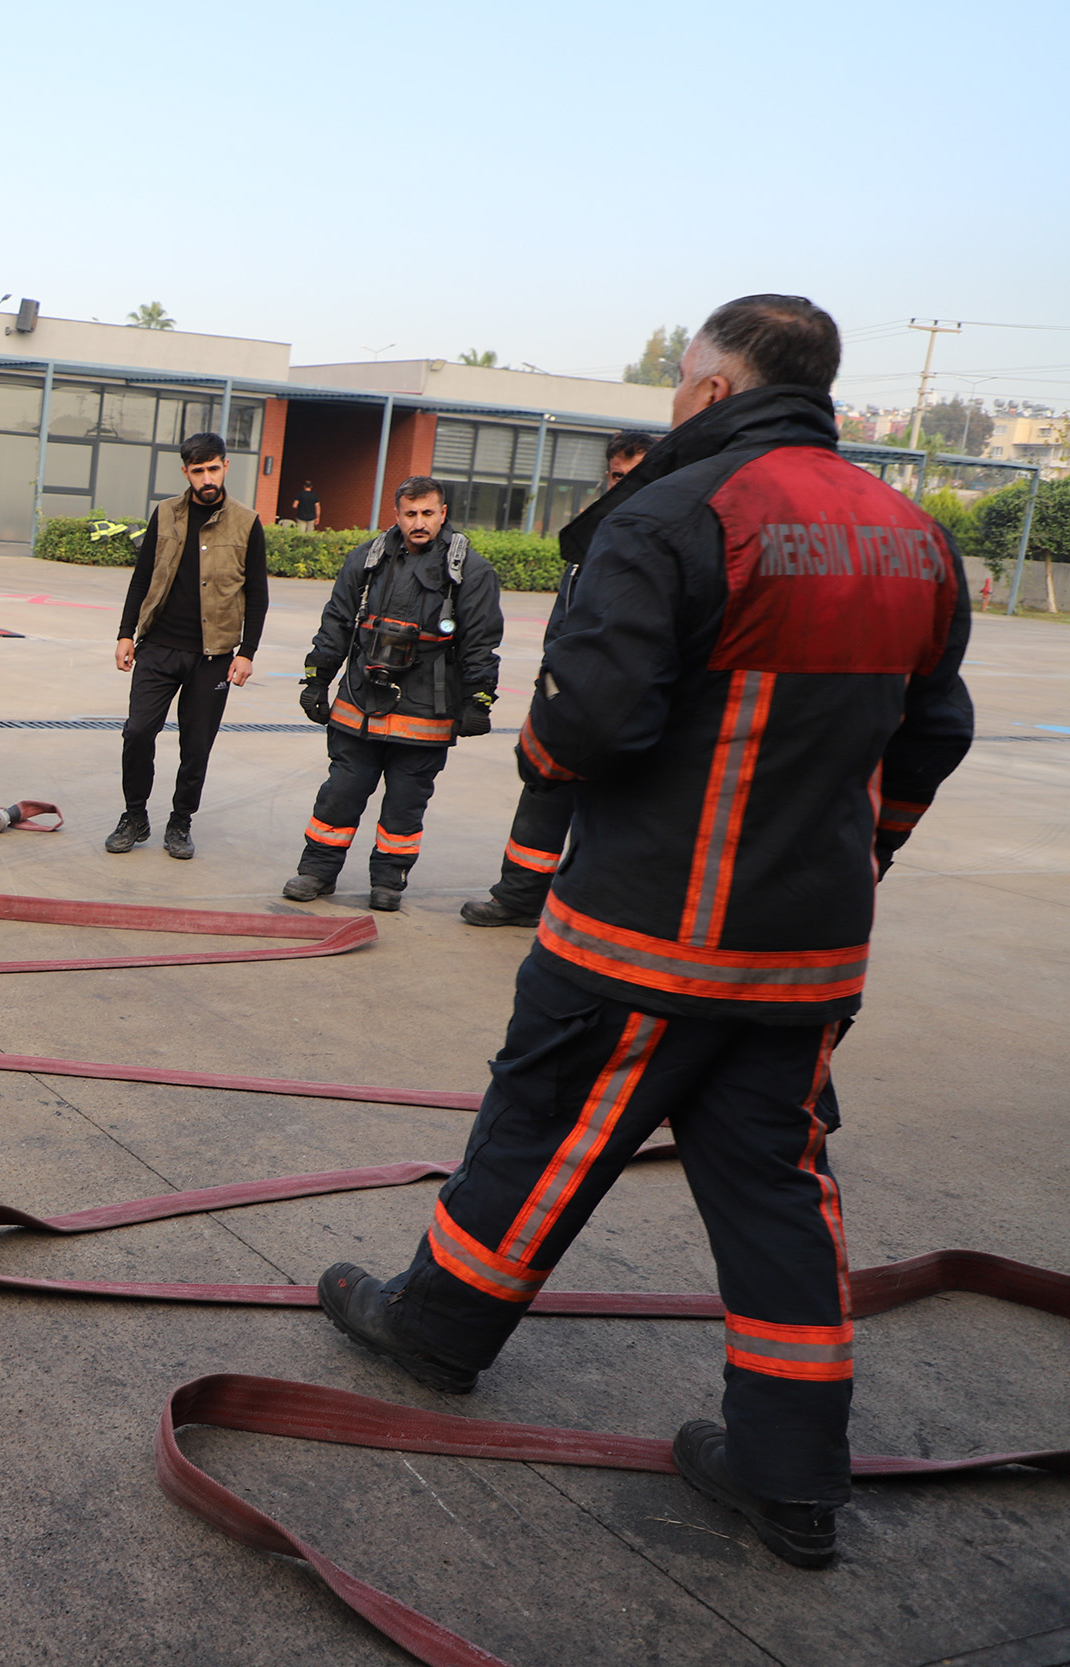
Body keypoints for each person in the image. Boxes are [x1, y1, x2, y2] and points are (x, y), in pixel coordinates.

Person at [318, 295, 975, 1571]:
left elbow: (588, 728)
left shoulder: (679, 513)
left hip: (646, 935)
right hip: (808, 953)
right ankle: (791, 1473)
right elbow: (932, 735)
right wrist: (861, 849)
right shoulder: (913, 535)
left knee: (544, 1124)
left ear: (713, 389)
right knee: (776, 1184)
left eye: (681, 383)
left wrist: (542, 747)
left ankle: (436, 1328)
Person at [462, 431, 658, 928]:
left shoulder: (666, 533)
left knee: (620, 807)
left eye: (635, 475)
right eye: (617, 476)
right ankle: (520, 899)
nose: (624, 485)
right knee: (544, 790)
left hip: (630, 698)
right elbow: (565, 618)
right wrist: (551, 681)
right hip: (569, 691)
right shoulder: (594, 533)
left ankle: (600, 911)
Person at [283, 477, 504, 909]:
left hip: (427, 709)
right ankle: (316, 872)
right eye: (410, 514)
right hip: (359, 702)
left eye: (427, 513)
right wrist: (316, 680)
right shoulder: (367, 560)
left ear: (442, 513)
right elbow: (336, 623)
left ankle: (389, 881)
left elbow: (481, 642)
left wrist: (479, 699)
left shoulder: (471, 572)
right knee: (340, 792)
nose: (419, 523)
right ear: (397, 514)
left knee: (405, 804)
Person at [105, 433, 268, 861]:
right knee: (137, 732)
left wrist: (247, 652)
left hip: (213, 656)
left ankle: (181, 821)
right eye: (198, 471)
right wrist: (126, 633)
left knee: (196, 745)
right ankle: (134, 815)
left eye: (213, 468)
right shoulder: (166, 514)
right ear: (186, 473)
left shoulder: (247, 522)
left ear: (226, 466)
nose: (207, 478)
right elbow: (142, 577)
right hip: (157, 646)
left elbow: (257, 592)